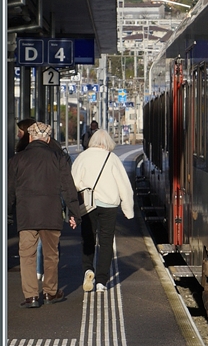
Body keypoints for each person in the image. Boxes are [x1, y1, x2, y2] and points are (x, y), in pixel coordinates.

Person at [8, 122, 81, 308]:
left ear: (30, 137)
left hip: (26, 215)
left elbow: (9, 190)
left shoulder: (17, 159)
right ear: (48, 139)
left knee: (27, 255)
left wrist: (7, 214)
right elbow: (68, 187)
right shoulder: (59, 157)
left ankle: (31, 296)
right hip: (51, 213)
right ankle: (50, 292)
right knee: (51, 255)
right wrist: (74, 212)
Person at [71, 128, 134, 293]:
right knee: (106, 242)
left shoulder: (82, 157)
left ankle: (88, 269)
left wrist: (70, 208)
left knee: (88, 238)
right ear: (108, 143)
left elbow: (73, 183)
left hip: (87, 205)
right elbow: (124, 186)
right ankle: (101, 281)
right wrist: (128, 209)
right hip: (109, 206)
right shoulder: (112, 158)